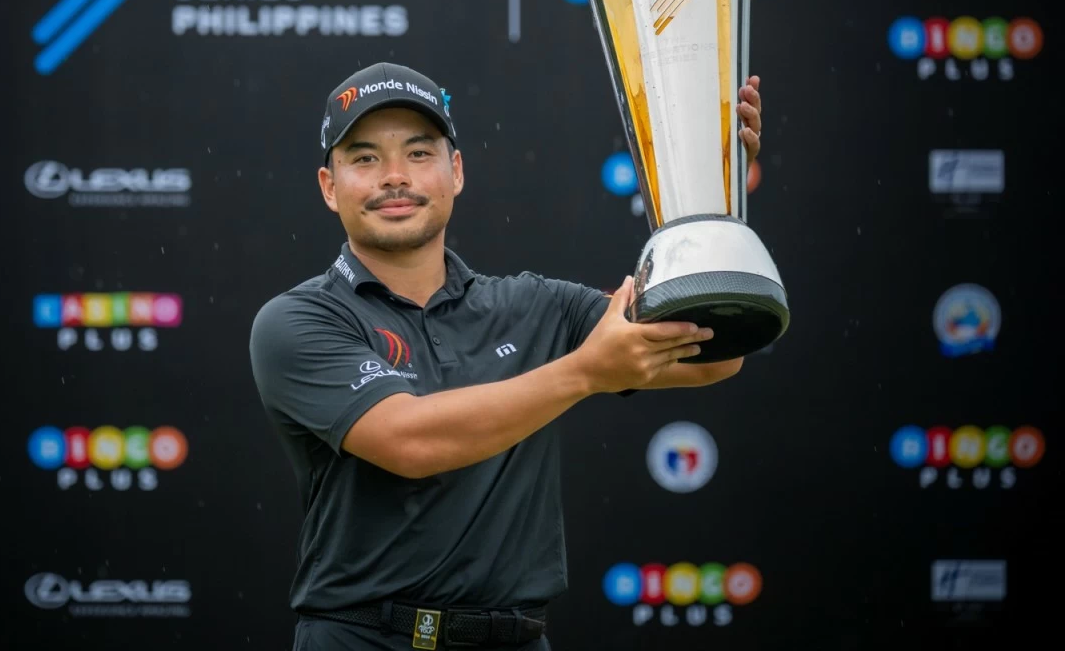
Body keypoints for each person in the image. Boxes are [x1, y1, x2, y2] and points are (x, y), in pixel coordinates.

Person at [249, 61, 765, 651]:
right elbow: (411, 443)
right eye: (364, 159)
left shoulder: (533, 304)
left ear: (456, 171)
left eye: (419, 154)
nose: (394, 176)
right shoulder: (298, 320)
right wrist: (583, 373)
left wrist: (711, 200)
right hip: (361, 639)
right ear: (329, 186)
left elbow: (714, 354)